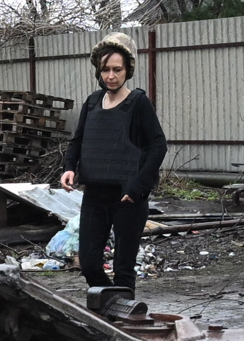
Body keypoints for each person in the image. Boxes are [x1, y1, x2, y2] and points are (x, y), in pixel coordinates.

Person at [61, 33, 168, 292]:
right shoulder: (92, 102)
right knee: (89, 264)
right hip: (95, 196)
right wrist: (69, 167)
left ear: (127, 70)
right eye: (106, 70)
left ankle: (123, 317)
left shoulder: (139, 103)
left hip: (127, 199)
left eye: (117, 70)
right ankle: (110, 304)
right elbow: (78, 140)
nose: (111, 76)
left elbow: (158, 146)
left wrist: (137, 186)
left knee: (123, 267)